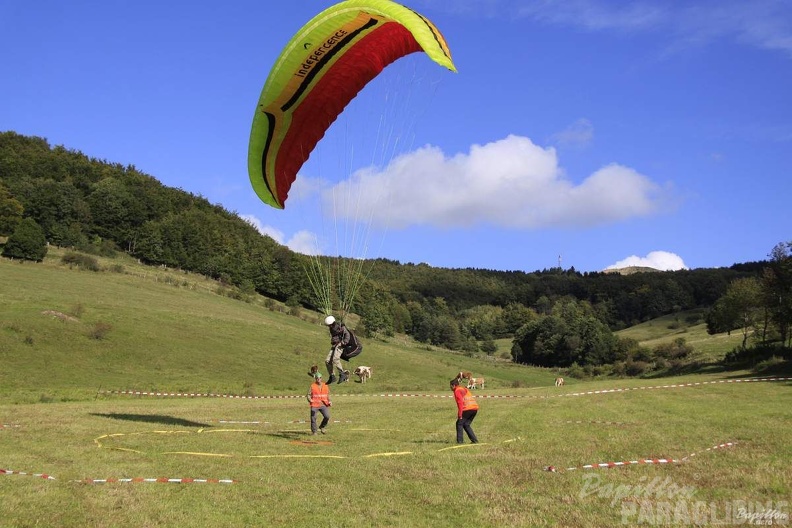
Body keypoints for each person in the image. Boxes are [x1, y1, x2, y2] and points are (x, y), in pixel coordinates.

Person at [324, 315, 362, 384]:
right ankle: (332, 377)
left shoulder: (341, 326)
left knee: (335, 359)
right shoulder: (331, 328)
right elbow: (335, 336)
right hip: (335, 344)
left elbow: (347, 334)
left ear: (332, 324)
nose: (328, 327)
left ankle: (342, 374)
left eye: (329, 325)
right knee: (327, 361)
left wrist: (343, 343)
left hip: (341, 343)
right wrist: (333, 341)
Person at [450, 378, 479, 444]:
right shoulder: (464, 389)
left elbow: (460, 403)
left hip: (467, 409)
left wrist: (460, 414)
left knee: (459, 423)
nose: (450, 388)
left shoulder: (457, 391)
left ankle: (460, 442)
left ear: (453, 385)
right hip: (474, 408)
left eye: (450, 386)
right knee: (466, 424)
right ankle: (474, 441)